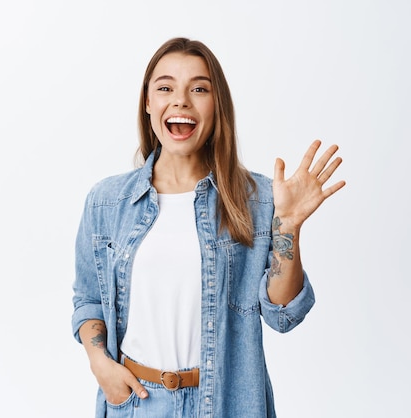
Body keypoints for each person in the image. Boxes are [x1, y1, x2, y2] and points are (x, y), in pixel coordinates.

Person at [71, 37, 345, 418]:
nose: (181, 100)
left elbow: (283, 315)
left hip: (227, 403)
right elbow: (89, 300)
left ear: (217, 106)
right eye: (165, 87)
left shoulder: (260, 199)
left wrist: (288, 226)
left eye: (199, 89)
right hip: (136, 403)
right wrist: (99, 364)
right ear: (148, 103)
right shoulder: (106, 202)